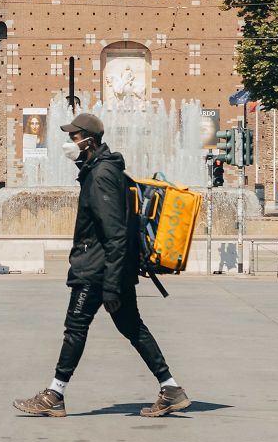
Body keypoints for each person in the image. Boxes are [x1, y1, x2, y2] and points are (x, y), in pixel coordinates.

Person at [12, 111, 189, 419]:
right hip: (107, 268)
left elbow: (116, 233)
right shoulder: (100, 171)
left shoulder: (101, 175)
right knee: (132, 328)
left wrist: (110, 284)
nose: (69, 141)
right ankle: (170, 388)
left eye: (74, 136)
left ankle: (54, 394)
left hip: (96, 270)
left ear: (88, 142)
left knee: (76, 328)